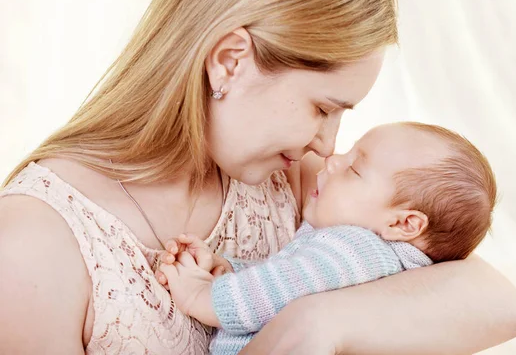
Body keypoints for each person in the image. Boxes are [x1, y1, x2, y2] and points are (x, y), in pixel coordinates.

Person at [0, 0, 516, 354]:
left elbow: (499, 302)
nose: (329, 145)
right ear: (230, 62)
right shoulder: (33, 240)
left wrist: (316, 322)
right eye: (323, 109)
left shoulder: (298, 179)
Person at [156, 121, 498, 354]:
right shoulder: (372, 262)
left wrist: (202, 295)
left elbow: (278, 289)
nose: (332, 160)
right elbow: (289, 283)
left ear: (404, 224)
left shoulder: (356, 248)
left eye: (354, 169)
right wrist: (229, 271)